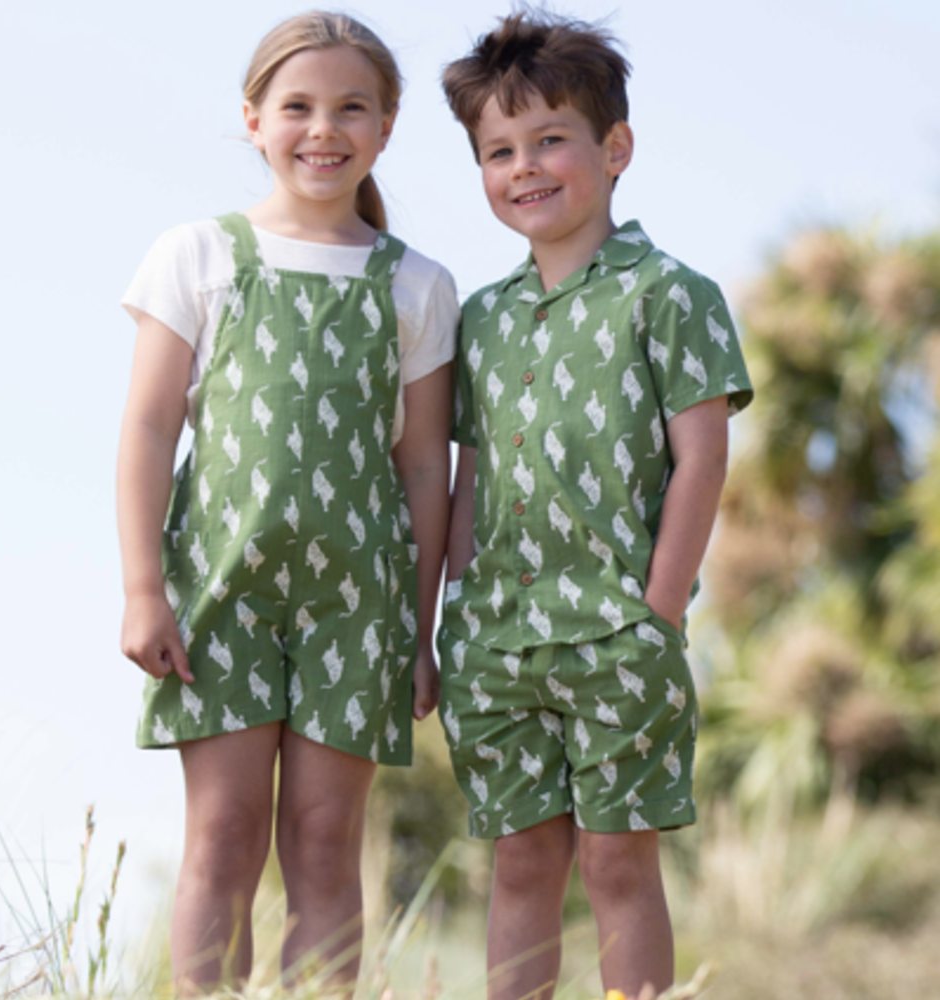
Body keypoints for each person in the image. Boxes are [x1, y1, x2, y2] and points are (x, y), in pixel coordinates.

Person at [116, 12, 455, 995]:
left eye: (352, 108)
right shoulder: (197, 254)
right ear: (253, 120)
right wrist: (145, 588)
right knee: (221, 838)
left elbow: (425, 468)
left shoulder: (418, 286)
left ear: (386, 127)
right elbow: (145, 430)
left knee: (323, 846)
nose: (323, 128)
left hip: (359, 603)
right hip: (218, 588)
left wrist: (419, 631)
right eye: (298, 106)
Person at [438, 11, 752, 999]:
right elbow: (469, 476)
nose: (523, 167)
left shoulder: (671, 293)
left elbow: (701, 459)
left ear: (614, 149)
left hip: (619, 631)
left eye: (548, 140)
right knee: (520, 865)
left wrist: (655, 615)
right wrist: (448, 614)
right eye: (498, 150)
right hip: (496, 641)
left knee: (618, 865)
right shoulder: (481, 318)